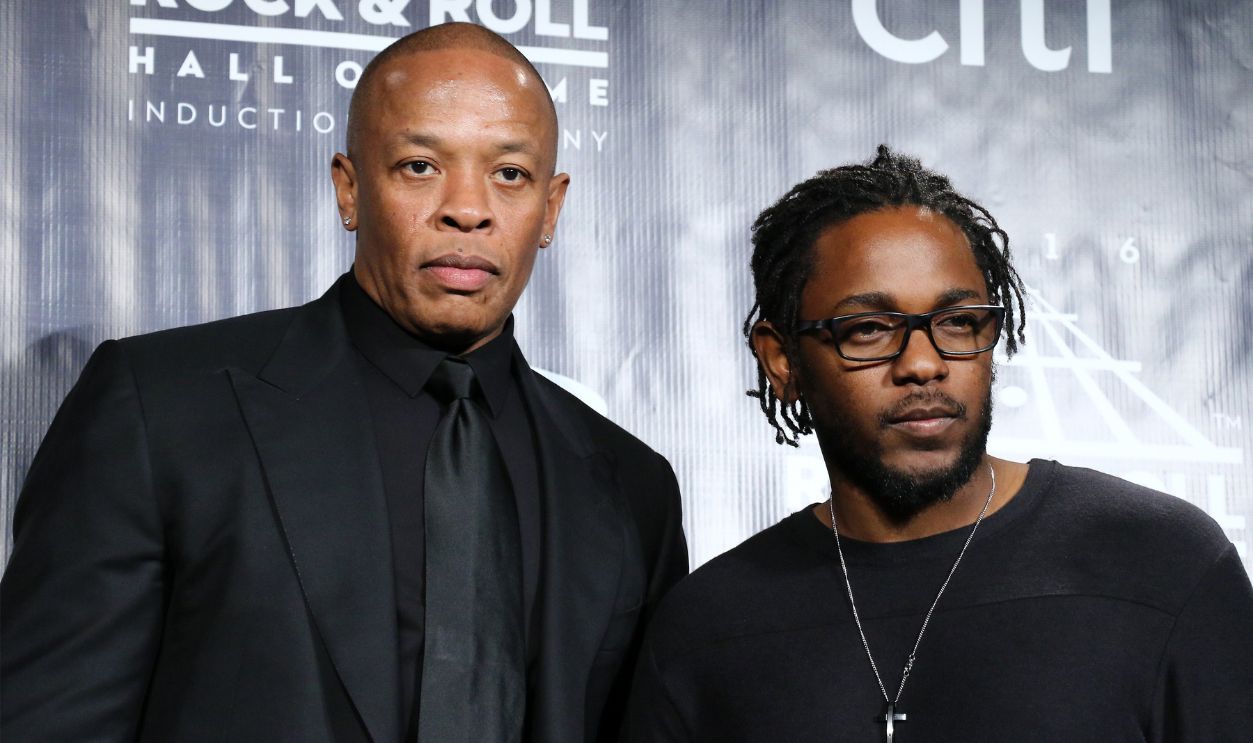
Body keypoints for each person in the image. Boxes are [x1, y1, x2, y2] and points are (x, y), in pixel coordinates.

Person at [1, 23, 687, 743]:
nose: (468, 208)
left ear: (549, 209)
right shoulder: (159, 407)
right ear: (349, 188)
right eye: (420, 165)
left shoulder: (632, 485)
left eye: (509, 174)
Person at [624, 146, 1253, 742]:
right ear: (781, 358)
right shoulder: (704, 630)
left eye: (957, 321)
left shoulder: (1163, 564)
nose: (923, 364)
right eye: (868, 329)